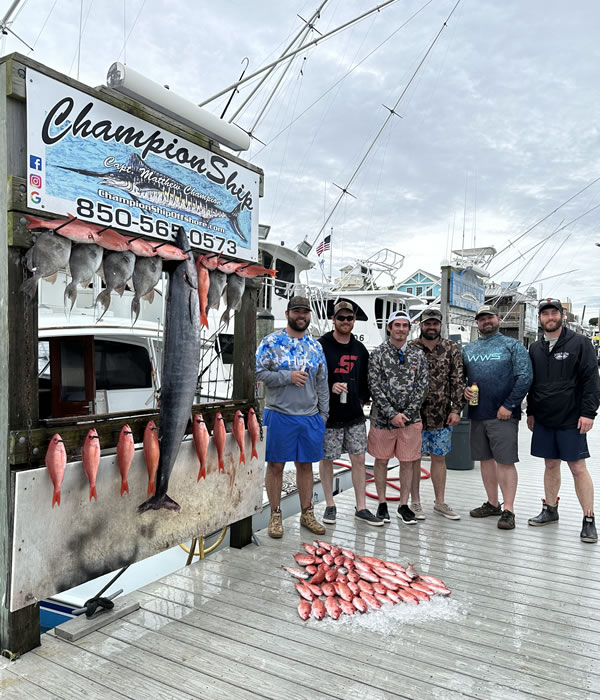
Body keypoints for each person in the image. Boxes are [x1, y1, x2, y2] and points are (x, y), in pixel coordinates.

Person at [526, 298, 600, 543]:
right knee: (550, 465)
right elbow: (533, 384)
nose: (550, 317)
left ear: (562, 316)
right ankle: (550, 509)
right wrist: (531, 412)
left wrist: (589, 413)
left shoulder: (581, 343)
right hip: (545, 418)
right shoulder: (535, 348)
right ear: (540, 319)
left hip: (572, 418)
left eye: (554, 313)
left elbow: (591, 381)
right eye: (545, 314)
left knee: (578, 468)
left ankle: (589, 519)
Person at [256, 296, 329, 539]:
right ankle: (275, 514)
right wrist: (287, 377)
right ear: (287, 313)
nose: (301, 316)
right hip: (279, 414)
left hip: (309, 417)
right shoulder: (271, 342)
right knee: (275, 466)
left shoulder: (316, 346)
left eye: (305, 312)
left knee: (306, 465)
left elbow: (322, 383)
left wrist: (324, 415)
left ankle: (307, 513)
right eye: (297, 311)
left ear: (309, 316)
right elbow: (257, 372)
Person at [462, 305, 533, 530]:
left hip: (503, 415)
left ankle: (508, 509)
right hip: (477, 413)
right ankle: (492, 503)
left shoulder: (513, 345)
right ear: (477, 323)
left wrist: (509, 405)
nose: (486, 322)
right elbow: (462, 378)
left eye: (490, 317)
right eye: (481, 319)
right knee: (485, 461)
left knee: (505, 462)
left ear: (498, 319)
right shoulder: (468, 349)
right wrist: (464, 389)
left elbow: (525, 377)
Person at [318, 301, 383, 526]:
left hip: (354, 415)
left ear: (354, 321)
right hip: (329, 416)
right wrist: (330, 386)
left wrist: (361, 399)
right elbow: (314, 378)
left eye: (349, 318)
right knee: (327, 459)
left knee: (359, 458)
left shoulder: (360, 348)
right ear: (333, 320)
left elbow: (367, 379)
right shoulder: (322, 345)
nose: (345, 322)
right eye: (341, 318)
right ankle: (329, 504)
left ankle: (361, 506)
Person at [367, 310, 428, 525]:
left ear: (409, 329)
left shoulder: (418, 355)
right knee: (381, 460)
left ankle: (404, 505)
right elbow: (374, 386)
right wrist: (392, 414)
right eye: (397, 325)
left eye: (405, 325)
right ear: (389, 328)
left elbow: (422, 386)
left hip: (411, 420)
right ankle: (382, 503)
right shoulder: (377, 354)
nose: (401, 329)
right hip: (383, 420)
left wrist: (407, 414)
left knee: (408, 462)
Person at [409, 308, 466, 520]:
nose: (431, 327)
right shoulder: (411, 347)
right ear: (421, 325)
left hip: (442, 415)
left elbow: (458, 380)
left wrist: (456, 409)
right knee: (413, 459)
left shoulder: (451, 348)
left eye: (435, 323)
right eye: (427, 323)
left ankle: (440, 502)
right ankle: (415, 502)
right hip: (415, 415)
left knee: (439, 458)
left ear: (440, 325)